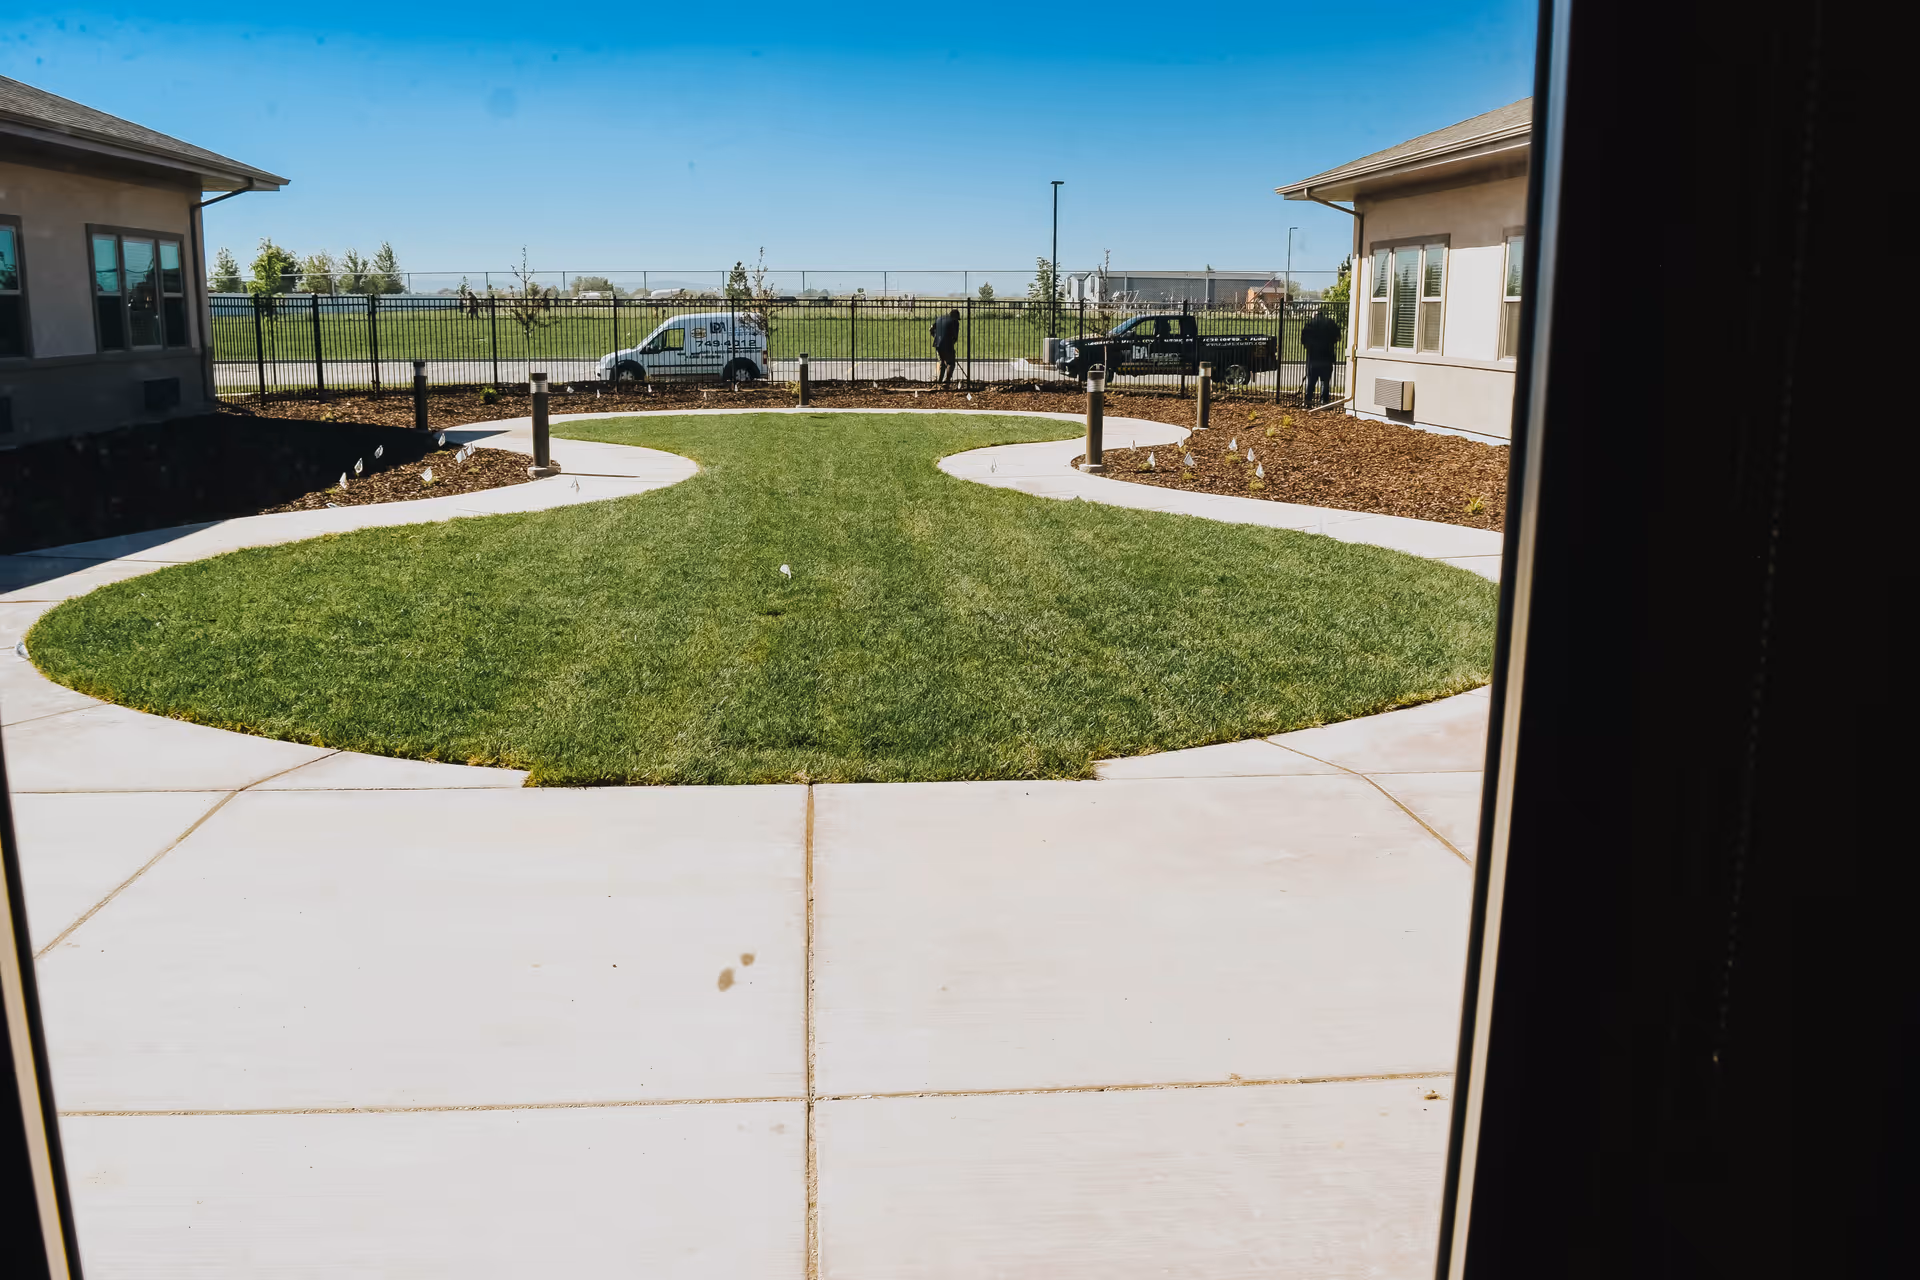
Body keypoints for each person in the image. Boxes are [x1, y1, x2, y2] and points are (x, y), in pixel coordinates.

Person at [1299, 307, 1341, 407]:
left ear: (1314, 315)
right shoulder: (1331, 324)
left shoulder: (1310, 324)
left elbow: (1303, 340)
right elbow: (1338, 337)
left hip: (1313, 357)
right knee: (1325, 381)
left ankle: (1308, 402)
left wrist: (1309, 346)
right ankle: (1324, 402)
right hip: (1327, 356)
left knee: (1311, 381)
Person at [930, 308, 961, 386]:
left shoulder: (939, 318)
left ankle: (939, 381)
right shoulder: (954, 322)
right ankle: (946, 382)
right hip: (947, 344)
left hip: (938, 343)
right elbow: (955, 336)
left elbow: (931, 329)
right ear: (956, 316)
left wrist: (936, 337)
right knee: (951, 363)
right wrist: (951, 345)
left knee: (942, 361)